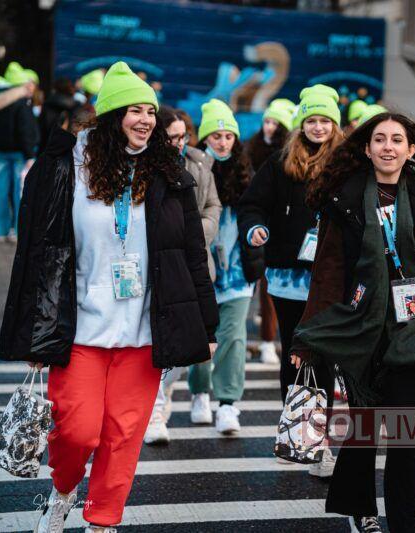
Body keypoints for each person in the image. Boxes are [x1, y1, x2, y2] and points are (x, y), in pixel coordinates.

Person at [0, 61, 218, 533]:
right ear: (112, 114)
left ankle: (102, 521)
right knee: (78, 432)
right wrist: (35, 330)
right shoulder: (67, 168)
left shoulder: (168, 174)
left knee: (123, 436)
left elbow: (191, 256)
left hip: (143, 330)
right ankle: (62, 491)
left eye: (151, 111)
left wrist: (207, 324)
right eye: (135, 110)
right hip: (79, 328)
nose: (146, 120)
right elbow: (38, 253)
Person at [290, 111, 415, 532]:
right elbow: (328, 271)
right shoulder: (345, 197)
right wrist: (306, 338)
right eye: (379, 139)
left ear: (410, 150)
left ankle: (406, 522)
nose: (388, 147)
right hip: (359, 327)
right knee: (365, 426)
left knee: (404, 427)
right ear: (366, 149)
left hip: (414, 327)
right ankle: (361, 509)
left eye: (397, 140)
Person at [237, 84, 344, 477]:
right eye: (311, 120)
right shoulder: (282, 161)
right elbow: (252, 204)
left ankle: (320, 441)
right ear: (301, 124)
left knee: (323, 355)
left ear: (335, 125)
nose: (318, 127)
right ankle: (298, 434)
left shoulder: (348, 163)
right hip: (287, 277)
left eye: (325, 121)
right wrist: (256, 229)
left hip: (330, 277)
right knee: (294, 355)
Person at [144, 105, 222, 444]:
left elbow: (213, 206)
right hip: (158, 267)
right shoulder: (146, 168)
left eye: (182, 137)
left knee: (183, 344)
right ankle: (155, 410)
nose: (178, 143)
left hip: (193, 260)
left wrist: (194, 232)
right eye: (171, 137)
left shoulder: (199, 163)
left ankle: (167, 396)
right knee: (156, 343)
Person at [189, 98, 262, 436]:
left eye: (228, 136)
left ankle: (228, 403)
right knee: (201, 338)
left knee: (233, 337)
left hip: (237, 273)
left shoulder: (247, 173)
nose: (222, 142)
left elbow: (258, 212)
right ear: (205, 138)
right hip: (201, 270)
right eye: (215, 136)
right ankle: (200, 392)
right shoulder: (192, 169)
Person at [245, 98, 296, 364]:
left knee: (270, 290)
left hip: (280, 230)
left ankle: (268, 340)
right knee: (250, 286)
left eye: (275, 122)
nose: (269, 126)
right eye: (266, 120)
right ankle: (254, 339)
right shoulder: (251, 148)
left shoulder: (288, 156)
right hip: (256, 227)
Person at [0, 61, 39, 238]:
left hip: (0, 152)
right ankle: (18, 229)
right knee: (20, 193)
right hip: (19, 154)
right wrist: (30, 154)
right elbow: (25, 130)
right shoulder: (22, 103)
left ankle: (0, 230)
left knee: (0, 192)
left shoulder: (1, 99)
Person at [38, 78, 80, 152]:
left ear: (55, 89)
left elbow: (42, 128)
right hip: (70, 148)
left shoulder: (47, 104)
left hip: (48, 147)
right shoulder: (77, 106)